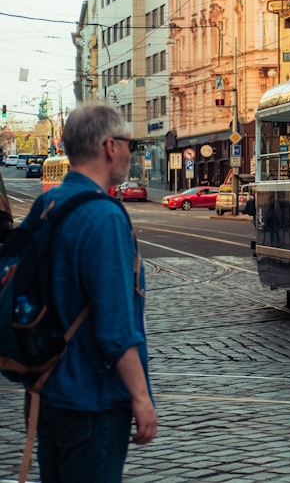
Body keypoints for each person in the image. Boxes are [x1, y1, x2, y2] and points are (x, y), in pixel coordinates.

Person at [25, 103, 157, 482]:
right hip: (93, 400)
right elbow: (116, 327)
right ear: (110, 146)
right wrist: (142, 398)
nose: (130, 153)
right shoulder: (104, 216)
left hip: (47, 390)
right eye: (129, 144)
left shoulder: (46, 204)